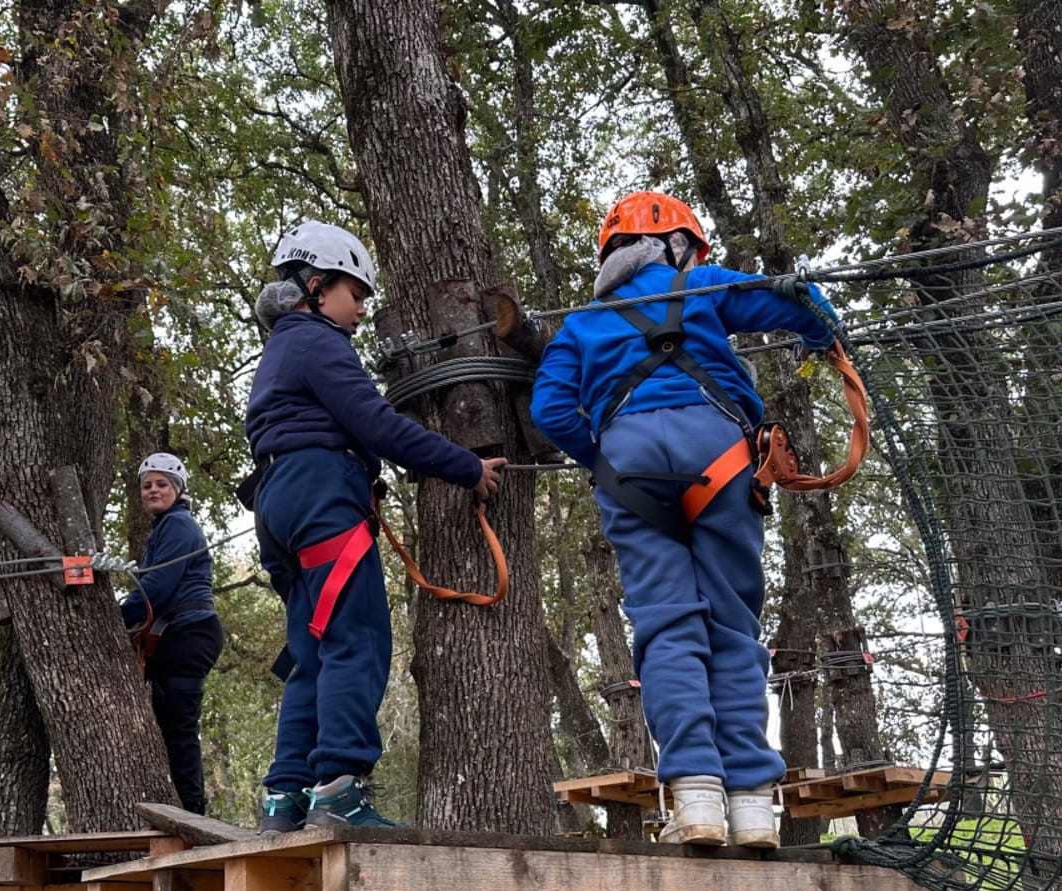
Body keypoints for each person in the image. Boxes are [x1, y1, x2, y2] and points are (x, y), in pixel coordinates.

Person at [530, 191, 841, 848]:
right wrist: (823, 331)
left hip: (631, 469)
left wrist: (606, 459)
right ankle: (754, 804)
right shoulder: (700, 284)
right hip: (723, 459)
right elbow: (793, 302)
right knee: (731, 625)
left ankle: (696, 796)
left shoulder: (581, 323)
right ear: (678, 245)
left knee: (668, 627)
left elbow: (552, 411)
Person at [246, 220, 506, 833]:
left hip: (280, 503)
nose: (362, 311)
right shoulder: (315, 339)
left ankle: (286, 799)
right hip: (320, 497)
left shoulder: (283, 351)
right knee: (355, 641)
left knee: (312, 652)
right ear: (316, 287)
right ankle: (339, 787)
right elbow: (380, 427)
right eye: (355, 294)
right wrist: (464, 466)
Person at [121, 453, 223, 816]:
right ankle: (183, 806)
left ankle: (193, 811)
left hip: (189, 633)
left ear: (177, 489)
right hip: (179, 635)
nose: (153, 490)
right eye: (147, 485)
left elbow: (158, 587)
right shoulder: (164, 528)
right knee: (168, 725)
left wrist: (118, 617)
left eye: (161, 484)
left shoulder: (179, 525)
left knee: (178, 729)